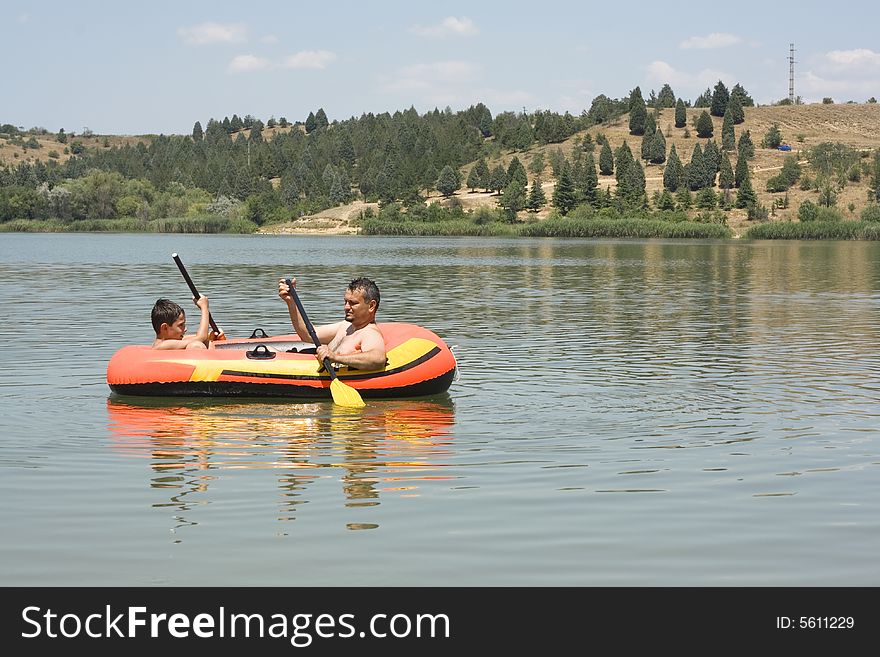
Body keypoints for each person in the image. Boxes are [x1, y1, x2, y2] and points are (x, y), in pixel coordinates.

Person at [277, 276, 386, 370]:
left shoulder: (369, 333)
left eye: (353, 303)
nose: (346, 307)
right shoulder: (345, 326)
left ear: (371, 306)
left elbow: (378, 359)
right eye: (345, 302)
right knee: (269, 351)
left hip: (343, 381)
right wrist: (291, 301)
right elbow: (308, 335)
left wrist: (335, 357)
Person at [151, 297, 224, 350]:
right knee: (196, 345)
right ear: (165, 328)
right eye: (181, 325)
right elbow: (201, 337)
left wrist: (211, 336)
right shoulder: (162, 345)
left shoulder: (171, 341)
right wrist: (204, 307)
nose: (185, 329)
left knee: (206, 343)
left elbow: (199, 337)